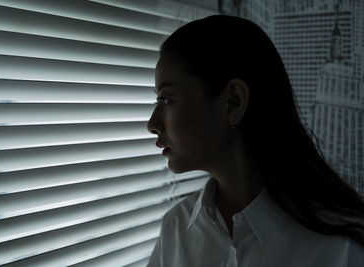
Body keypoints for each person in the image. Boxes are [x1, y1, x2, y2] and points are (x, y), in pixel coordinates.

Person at [145, 15, 364, 267]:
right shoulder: (176, 228)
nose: (152, 124)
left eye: (166, 99)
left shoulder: (345, 249)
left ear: (233, 103)